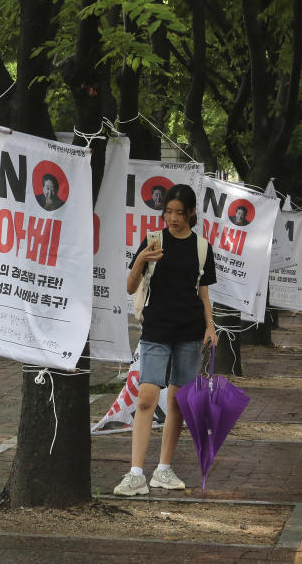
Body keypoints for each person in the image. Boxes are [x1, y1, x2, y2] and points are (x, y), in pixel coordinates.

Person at [114, 183, 219, 496]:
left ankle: (163, 469)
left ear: (191, 213)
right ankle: (135, 473)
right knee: (146, 398)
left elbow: (203, 294)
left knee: (177, 402)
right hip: (157, 329)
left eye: (179, 213)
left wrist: (210, 326)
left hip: (189, 331)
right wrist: (141, 260)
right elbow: (131, 287)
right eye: (168, 212)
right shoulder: (154, 240)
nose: (173, 218)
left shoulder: (202, 248)